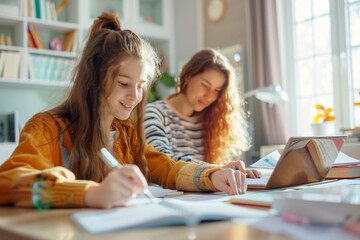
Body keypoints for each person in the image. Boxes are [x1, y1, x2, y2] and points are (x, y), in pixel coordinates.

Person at [0, 13, 248, 209]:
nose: (135, 96)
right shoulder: (47, 128)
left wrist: (213, 176)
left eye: (140, 86)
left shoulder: (127, 133)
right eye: (124, 84)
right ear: (95, 79)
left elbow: (167, 167)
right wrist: (90, 193)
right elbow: (10, 183)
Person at [144, 48, 261, 178]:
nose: (210, 96)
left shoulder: (209, 120)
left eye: (217, 90)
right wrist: (215, 170)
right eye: (205, 85)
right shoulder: (154, 113)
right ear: (188, 77)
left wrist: (236, 173)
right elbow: (162, 160)